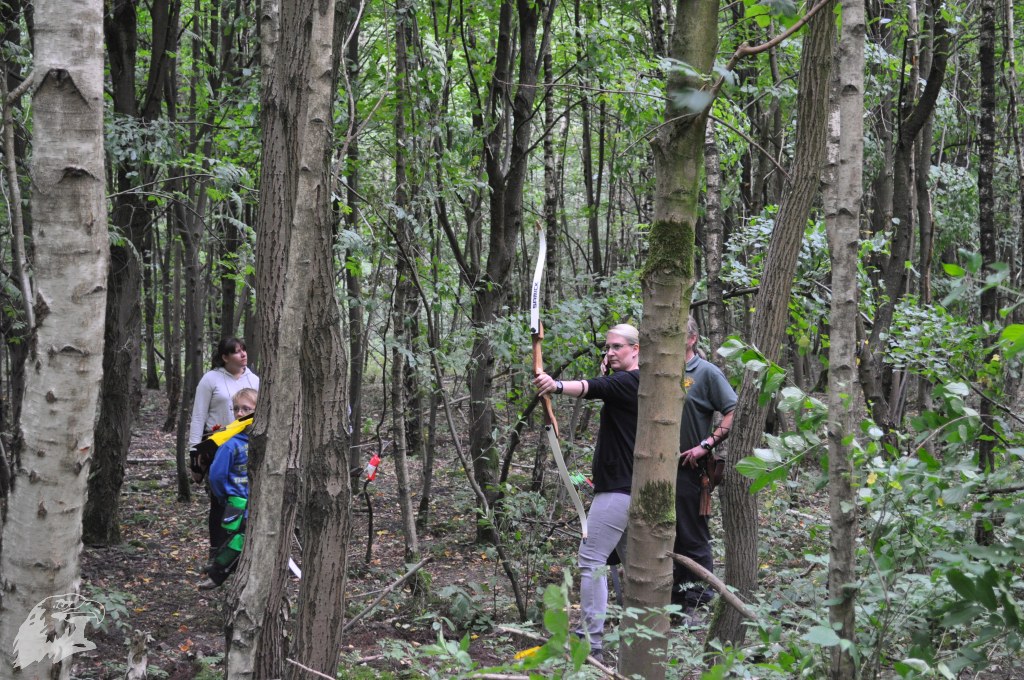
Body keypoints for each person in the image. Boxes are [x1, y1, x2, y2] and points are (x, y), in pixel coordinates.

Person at [534, 323, 640, 660]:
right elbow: (603, 385)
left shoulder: (631, 381)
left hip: (619, 491)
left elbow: (592, 387)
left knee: (592, 559)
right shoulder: (631, 384)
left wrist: (556, 385)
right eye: (607, 347)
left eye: (617, 347)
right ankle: (640, 639)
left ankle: (591, 641)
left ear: (636, 349)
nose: (610, 352)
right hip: (627, 489)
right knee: (635, 569)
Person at [674, 316, 737, 625]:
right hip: (651, 467)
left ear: (692, 339)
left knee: (692, 534)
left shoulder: (706, 372)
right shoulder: (653, 369)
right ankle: (671, 599)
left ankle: (697, 601)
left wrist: (706, 445)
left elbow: (732, 410)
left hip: (689, 468)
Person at [189, 337, 259, 560]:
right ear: (225, 357)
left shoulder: (254, 380)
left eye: (244, 349)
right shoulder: (210, 379)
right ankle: (217, 552)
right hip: (217, 446)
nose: (243, 354)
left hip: (247, 446)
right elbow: (198, 416)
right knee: (220, 500)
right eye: (237, 351)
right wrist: (194, 453)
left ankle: (241, 553)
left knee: (245, 500)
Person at [198, 388, 257, 590]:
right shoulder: (230, 443)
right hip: (237, 501)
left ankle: (221, 566)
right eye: (236, 409)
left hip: (258, 501)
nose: (240, 413)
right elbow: (216, 475)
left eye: (246, 409)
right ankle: (217, 574)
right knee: (237, 537)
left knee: (243, 536)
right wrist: (224, 495)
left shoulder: (260, 440)